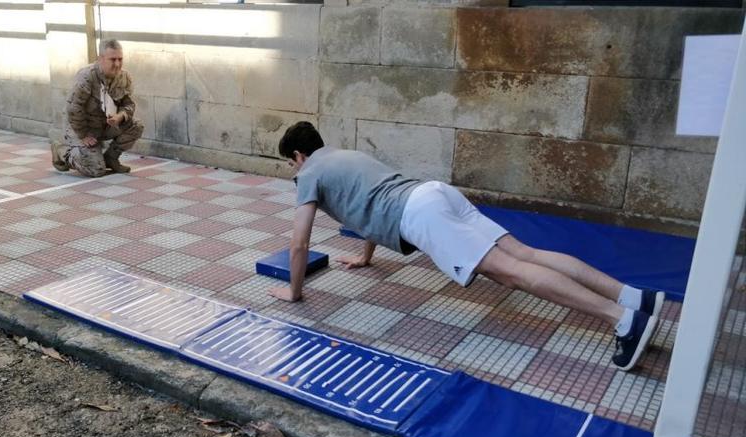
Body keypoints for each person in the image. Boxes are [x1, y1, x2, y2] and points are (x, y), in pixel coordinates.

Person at [269, 121, 665, 372]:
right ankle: (632, 296)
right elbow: (369, 206)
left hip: (420, 215)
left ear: (299, 156)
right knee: (524, 253)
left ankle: (623, 319)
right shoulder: (345, 155)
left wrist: (294, 291)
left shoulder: (310, 173)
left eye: (292, 163)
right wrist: (365, 256)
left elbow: (299, 241)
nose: (295, 170)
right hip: (434, 192)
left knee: (510, 273)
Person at [51, 39, 144, 177]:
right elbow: (73, 108)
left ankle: (111, 159)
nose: (117, 64)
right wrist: (83, 135)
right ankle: (62, 152)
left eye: (120, 59)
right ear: (100, 59)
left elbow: (129, 104)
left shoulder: (124, 77)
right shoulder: (87, 76)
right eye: (112, 59)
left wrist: (120, 116)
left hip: (105, 125)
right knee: (96, 170)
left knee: (136, 125)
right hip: (80, 128)